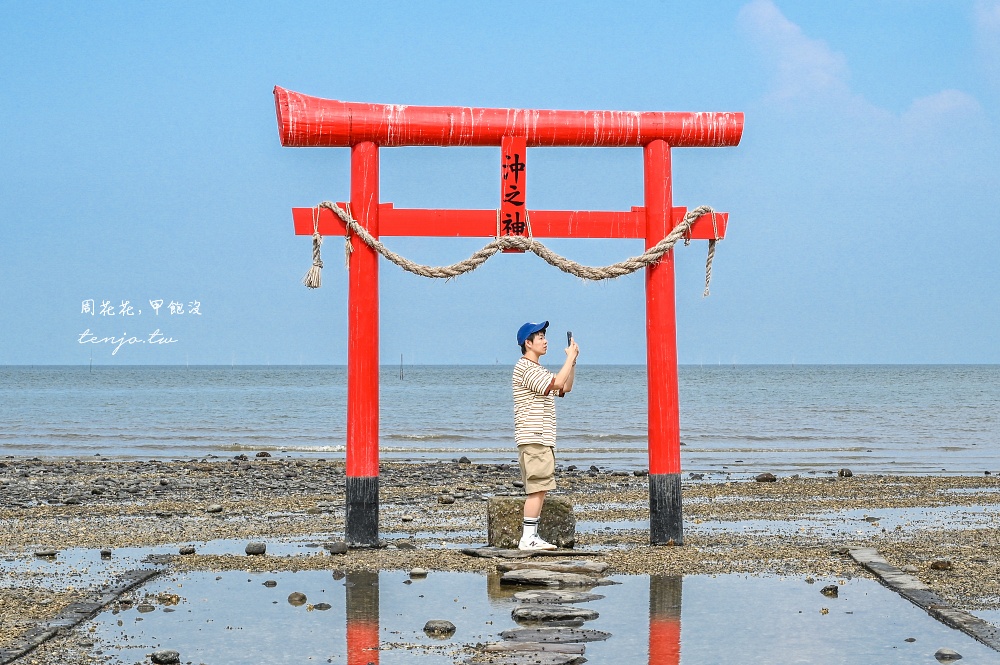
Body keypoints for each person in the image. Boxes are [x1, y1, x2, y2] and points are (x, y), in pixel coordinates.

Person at [512, 321, 579, 551]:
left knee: (540, 488)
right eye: (540, 337)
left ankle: (531, 536)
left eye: (544, 336)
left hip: (541, 437)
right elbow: (558, 382)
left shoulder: (539, 370)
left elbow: (565, 387)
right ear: (528, 343)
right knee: (537, 488)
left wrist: (572, 362)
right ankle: (528, 538)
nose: (545, 341)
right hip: (534, 436)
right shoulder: (525, 368)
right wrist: (569, 358)